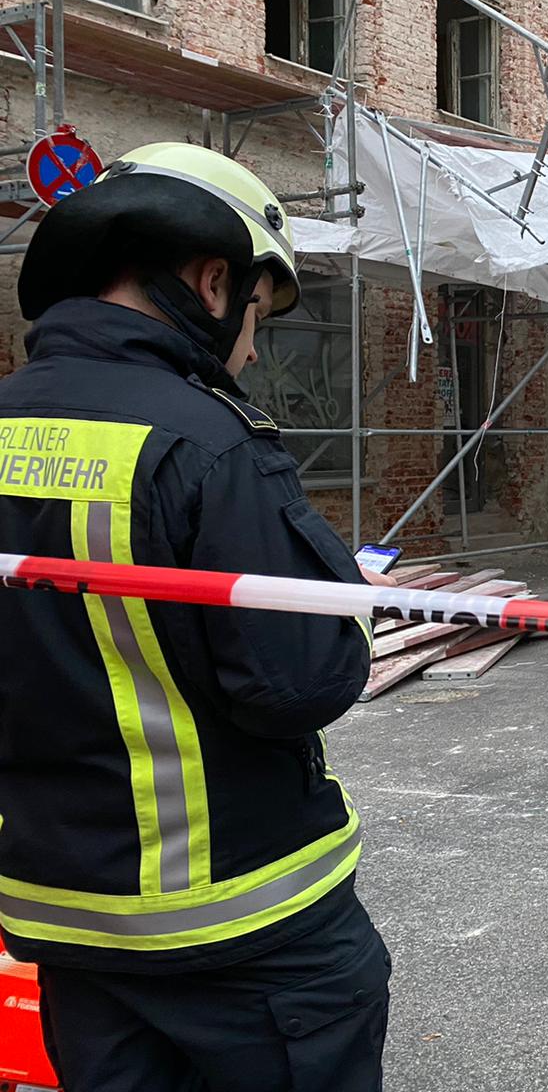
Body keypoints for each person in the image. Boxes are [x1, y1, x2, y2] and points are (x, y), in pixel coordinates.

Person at [0, 143, 390, 1090]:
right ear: (212, 281)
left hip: (64, 917)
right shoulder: (208, 442)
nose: (254, 350)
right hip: (243, 927)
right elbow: (299, 677)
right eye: (258, 314)